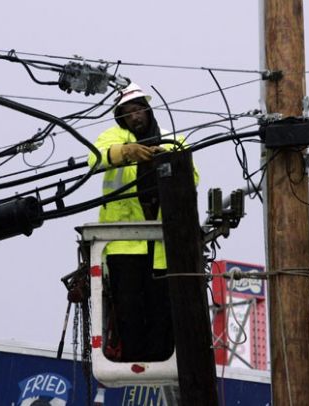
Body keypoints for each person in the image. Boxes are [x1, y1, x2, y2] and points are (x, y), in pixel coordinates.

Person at [87, 83, 199, 362]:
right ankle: (133, 359)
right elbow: (94, 159)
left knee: (162, 308)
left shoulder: (174, 140)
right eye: (128, 113)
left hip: (164, 245)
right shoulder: (112, 136)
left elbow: (192, 178)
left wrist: (168, 160)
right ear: (121, 117)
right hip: (124, 245)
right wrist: (127, 152)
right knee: (130, 310)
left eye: (139, 110)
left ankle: (160, 359)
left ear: (148, 111)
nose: (135, 116)